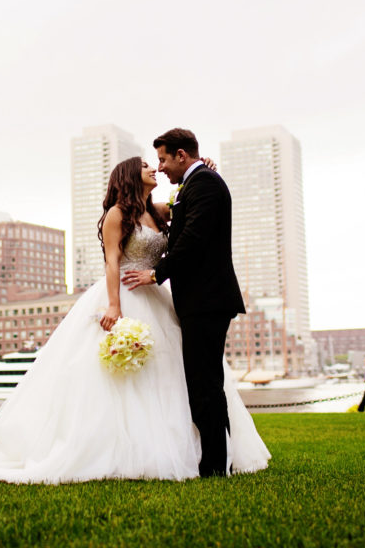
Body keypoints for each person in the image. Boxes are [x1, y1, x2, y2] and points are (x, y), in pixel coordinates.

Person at [0, 151, 269, 484]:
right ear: (130, 176)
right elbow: (112, 262)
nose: (155, 168)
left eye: (157, 163)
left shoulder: (157, 211)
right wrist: (113, 307)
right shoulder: (116, 214)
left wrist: (202, 171)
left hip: (155, 294)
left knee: (176, 373)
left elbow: (188, 203)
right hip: (124, 291)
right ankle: (120, 450)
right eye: (147, 167)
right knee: (121, 379)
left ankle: (198, 450)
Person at [122, 128, 247, 477]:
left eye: (163, 159)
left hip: (206, 300)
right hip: (201, 300)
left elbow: (192, 238)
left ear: (181, 155)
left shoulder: (204, 182)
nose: (160, 167)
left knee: (204, 385)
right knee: (205, 383)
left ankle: (214, 466)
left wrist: (156, 274)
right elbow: (183, 224)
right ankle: (220, 461)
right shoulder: (197, 183)